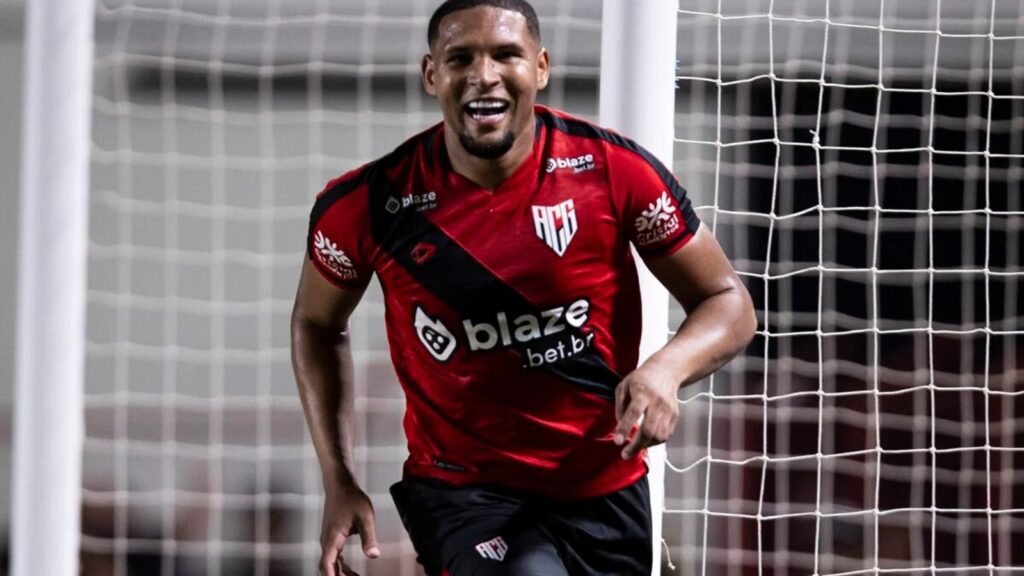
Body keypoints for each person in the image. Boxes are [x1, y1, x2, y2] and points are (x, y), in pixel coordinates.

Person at [290, 0, 756, 574]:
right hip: (464, 493)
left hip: (604, 488)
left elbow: (728, 302)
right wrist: (339, 479)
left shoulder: (614, 171)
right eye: (460, 58)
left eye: (505, 54)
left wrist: (666, 369)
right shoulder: (367, 205)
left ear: (540, 67)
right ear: (431, 74)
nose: (483, 75)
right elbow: (316, 323)